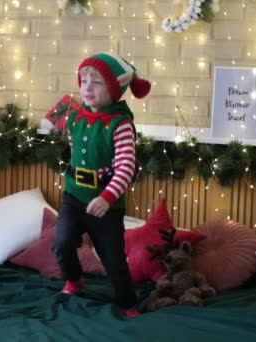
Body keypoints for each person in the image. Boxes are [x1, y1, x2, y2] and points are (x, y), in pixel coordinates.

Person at [53, 53, 151, 317]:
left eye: (95, 82)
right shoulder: (74, 118)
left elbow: (126, 167)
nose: (86, 87)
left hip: (106, 204)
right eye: (83, 81)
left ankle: (127, 302)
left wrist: (107, 197)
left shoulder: (120, 125)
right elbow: (75, 150)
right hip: (74, 196)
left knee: (113, 259)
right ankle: (74, 279)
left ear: (114, 89)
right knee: (61, 242)